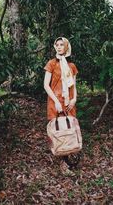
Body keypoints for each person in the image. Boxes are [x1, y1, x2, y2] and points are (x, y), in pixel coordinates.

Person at [44, 37, 79, 175]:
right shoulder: (51, 63)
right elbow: (46, 85)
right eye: (57, 45)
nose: (59, 47)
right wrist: (57, 102)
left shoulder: (72, 66)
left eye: (61, 45)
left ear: (66, 47)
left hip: (69, 103)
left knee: (69, 130)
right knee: (59, 131)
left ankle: (68, 159)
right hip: (56, 102)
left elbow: (74, 85)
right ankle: (63, 164)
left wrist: (74, 99)